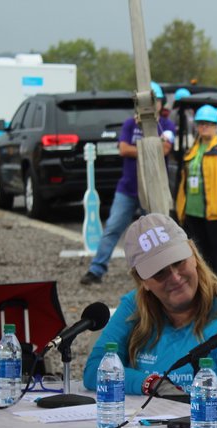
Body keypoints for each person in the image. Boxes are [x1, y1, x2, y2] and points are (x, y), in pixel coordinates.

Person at [83, 213, 217, 409]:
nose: (175, 278)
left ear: (193, 254)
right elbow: (95, 371)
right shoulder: (133, 306)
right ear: (143, 281)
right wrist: (152, 383)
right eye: (159, 272)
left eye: (178, 262)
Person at [81, 81, 176, 285]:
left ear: (160, 103)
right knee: (113, 228)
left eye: (154, 101)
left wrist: (141, 148)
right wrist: (150, 147)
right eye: (146, 102)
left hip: (153, 189)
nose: (150, 106)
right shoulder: (130, 124)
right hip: (127, 188)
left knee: (155, 233)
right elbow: (123, 149)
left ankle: (156, 273)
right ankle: (96, 270)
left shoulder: (166, 125)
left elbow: (165, 150)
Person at [175, 104, 217, 287]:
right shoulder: (194, 149)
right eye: (200, 123)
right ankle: (208, 285)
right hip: (195, 211)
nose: (203, 127)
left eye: (208, 123)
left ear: (215, 126)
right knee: (201, 251)